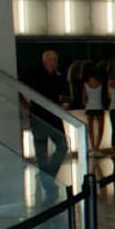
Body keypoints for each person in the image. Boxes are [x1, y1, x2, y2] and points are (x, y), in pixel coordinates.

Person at [22, 48, 71, 176]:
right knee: (41, 149)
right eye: (50, 60)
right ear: (44, 61)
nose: (53, 62)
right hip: (39, 116)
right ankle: (46, 175)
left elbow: (65, 95)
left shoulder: (58, 77)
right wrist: (25, 104)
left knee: (63, 145)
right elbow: (20, 88)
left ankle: (49, 172)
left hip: (54, 117)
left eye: (55, 60)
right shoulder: (33, 74)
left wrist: (64, 102)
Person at [80, 63, 106, 155]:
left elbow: (84, 100)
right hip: (99, 107)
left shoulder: (86, 84)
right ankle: (97, 147)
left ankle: (93, 147)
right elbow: (104, 96)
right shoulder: (101, 83)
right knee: (100, 128)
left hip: (89, 107)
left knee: (90, 129)